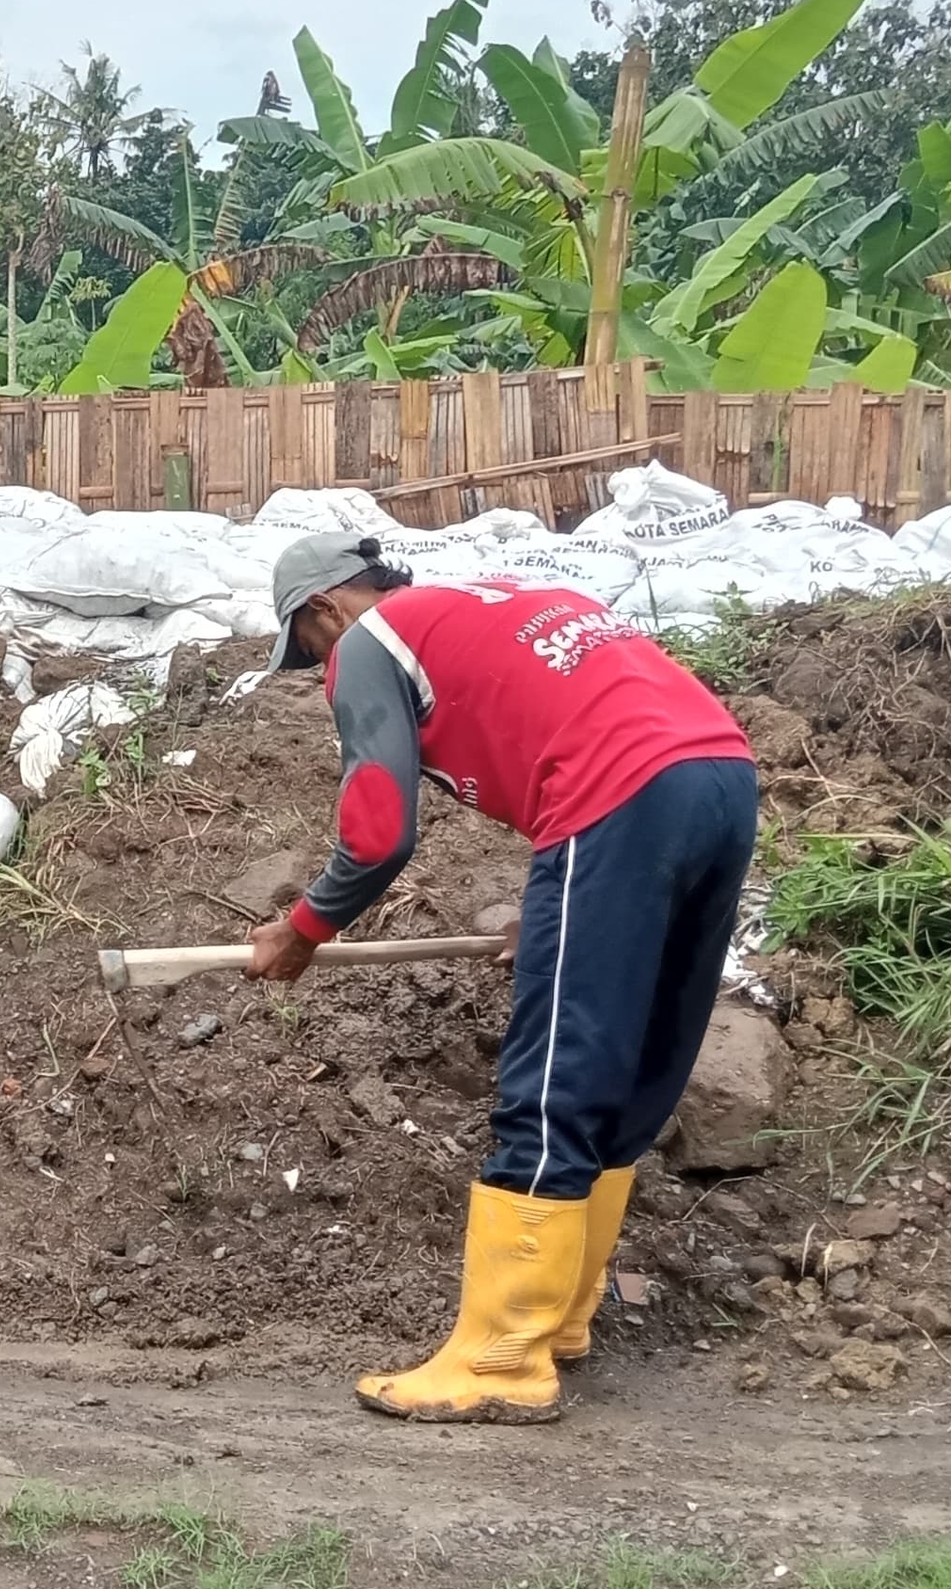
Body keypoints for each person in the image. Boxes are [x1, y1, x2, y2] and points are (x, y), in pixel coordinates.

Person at [241, 532, 758, 1424]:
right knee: (634, 1060)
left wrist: (305, 927)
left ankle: (501, 1355)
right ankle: (560, 1319)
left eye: (310, 648)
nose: (322, 669)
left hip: (620, 794)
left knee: (555, 1073)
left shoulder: (371, 640)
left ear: (326, 608)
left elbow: (377, 831)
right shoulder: (490, 602)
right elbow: (565, 731)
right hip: (718, 777)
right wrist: (562, 910)